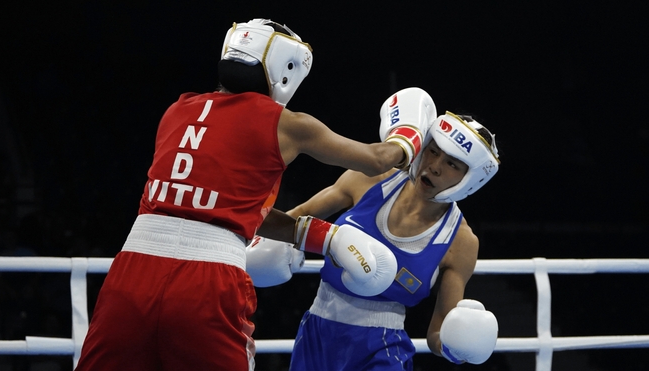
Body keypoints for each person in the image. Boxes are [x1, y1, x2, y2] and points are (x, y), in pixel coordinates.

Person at [74, 19, 429, 371]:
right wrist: (410, 133)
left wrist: (322, 236)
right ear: (285, 69)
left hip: (132, 271)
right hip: (207, 281)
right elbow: (376, 160)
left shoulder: (176, 111)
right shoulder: (287, 123)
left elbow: (219, 204)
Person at [245, 88, 501, 370]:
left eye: (452, 164)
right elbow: (291, 219)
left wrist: (457, 346)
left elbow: (437, 333)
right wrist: (249, 244)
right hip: (317, 330)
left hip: (383, 347)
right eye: (432, 151)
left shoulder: (460, 241)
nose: (435, 167)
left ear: (471, 179)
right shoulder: (373, 177)